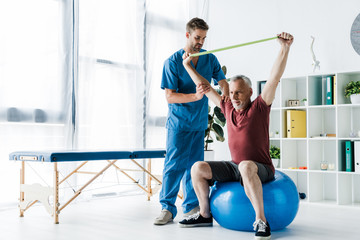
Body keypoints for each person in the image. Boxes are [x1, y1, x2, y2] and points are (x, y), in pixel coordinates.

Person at [179, 32, 294, 240]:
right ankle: (205, 215)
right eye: (232, 93)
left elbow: (274, 78)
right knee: (197, 168)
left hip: (260, 167)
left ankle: (261, 221)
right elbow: (205, 88)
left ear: (250, 91)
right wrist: (187, 65)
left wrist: (284, 48)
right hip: (235, 166)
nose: (234, 97)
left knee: (245, 166)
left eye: (239, 92)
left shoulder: (259, 107)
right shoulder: (228, 107)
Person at [154, 17, 229, 225]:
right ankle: (167, 209)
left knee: (193, 167)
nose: (200, 42)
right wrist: (195, 97)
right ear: (187, 35)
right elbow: (170, 96)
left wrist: (225, 92)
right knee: (174, 166)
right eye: (197, 37)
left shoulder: (209, 58)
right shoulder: (172, 62)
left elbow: (221, 80)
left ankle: (191, 207)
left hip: (198, 124)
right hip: (178, 124)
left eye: (204, 38)